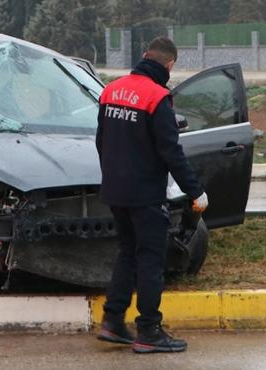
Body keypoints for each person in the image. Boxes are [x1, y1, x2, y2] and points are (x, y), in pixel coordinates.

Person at [95, 37, 210, 354]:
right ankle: (149, 330)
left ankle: (113, 321)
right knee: (150, 260)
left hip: (115, 191)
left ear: (145, 56)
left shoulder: (111, 90)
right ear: (169, 65)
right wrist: (195, 190)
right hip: (145, 195)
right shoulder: (158, 97)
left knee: (127, 253)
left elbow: (101, 141)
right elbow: (171, 151)